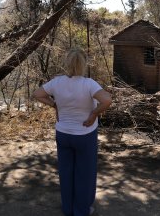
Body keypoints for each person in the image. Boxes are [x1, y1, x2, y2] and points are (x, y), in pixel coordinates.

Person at [33, 48, 112, 216]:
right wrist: (94, 114)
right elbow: (107, 100)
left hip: (63, 134)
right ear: (83, 65)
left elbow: (37, 94)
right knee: (85, 174)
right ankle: (82, 211)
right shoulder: (89, 84)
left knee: (66, 171)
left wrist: (55, 105)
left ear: (67, 64)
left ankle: (68, 208)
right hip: (85, 135)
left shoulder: (56, 82)